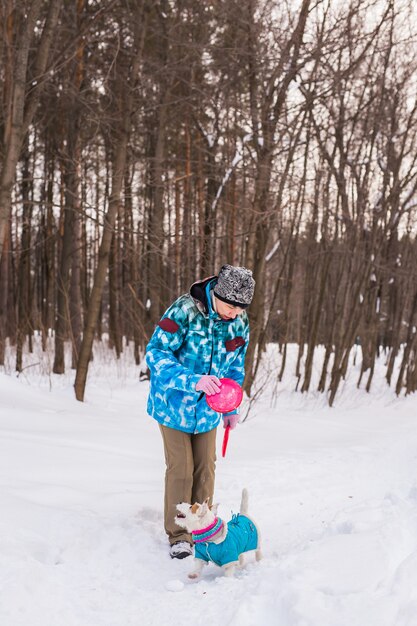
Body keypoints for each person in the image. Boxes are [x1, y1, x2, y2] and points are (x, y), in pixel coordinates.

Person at [145, 264, 255, 559]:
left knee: (205, 468)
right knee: (181, 468)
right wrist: (192, 381)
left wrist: (232, 404)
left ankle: (202, 529)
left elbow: (235, 365)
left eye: (240, 308)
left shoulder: (238, 322)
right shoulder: (184, 311)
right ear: (217, 294)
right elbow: (156, 353)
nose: (234, 312)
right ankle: (180, 534)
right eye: (230, 305)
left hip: (208, 411)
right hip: (173, 406)